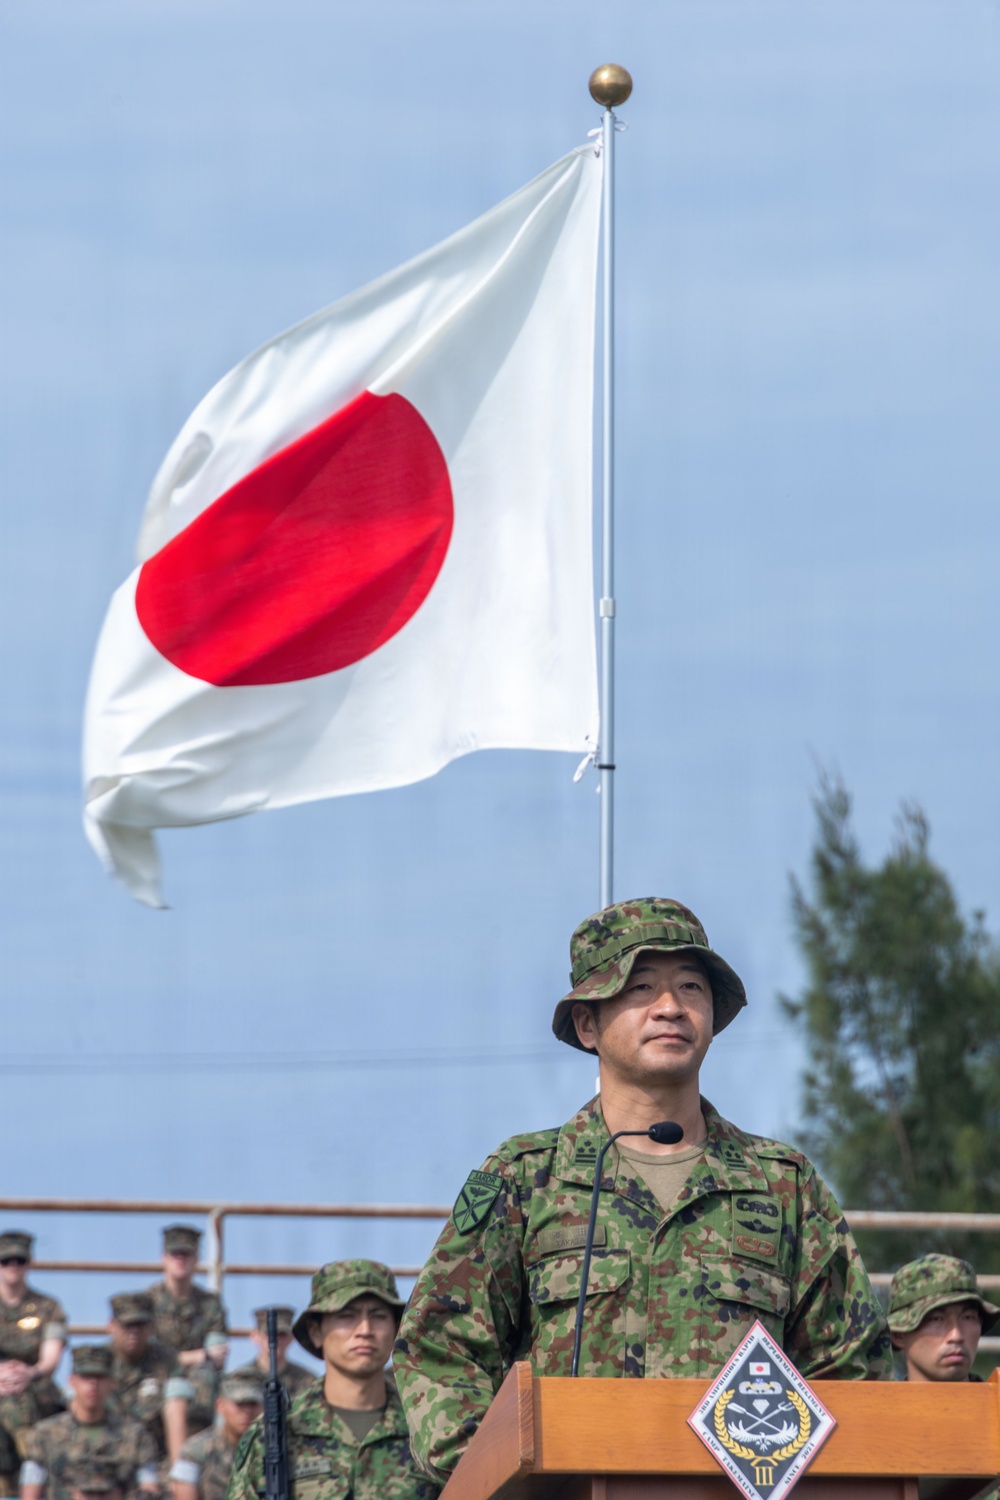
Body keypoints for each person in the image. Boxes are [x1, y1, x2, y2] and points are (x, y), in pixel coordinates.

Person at [395, 896, 892, 1483]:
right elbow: (439, 1349)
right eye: (639, 989)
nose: (670, 1008)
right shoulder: (523, 1178)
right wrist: (504, 1479)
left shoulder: (784, 1185)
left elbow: (851, 1372)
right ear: (587, 1024)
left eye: (690, 987)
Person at [226, 1261, 439, 1500]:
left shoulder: (428, 1430)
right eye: (347, 1316)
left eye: (378, 1316)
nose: (365, 1329)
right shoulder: (274, 1435)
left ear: (396, 1330)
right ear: (316, 1332)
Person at [20, 1344, 158, 1500]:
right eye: (86, 1377)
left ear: (111, 1382)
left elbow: (149, 1489)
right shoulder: (44, 1434)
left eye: (100, 1377)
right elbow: (30, 1493)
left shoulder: (135, 1435)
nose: (93, 1384)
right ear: (72, 1381)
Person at [0, 1229, 67, 1491]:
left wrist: (27, 1374)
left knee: (19, 1401)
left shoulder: (49, 1307)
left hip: (36, 1390)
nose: (13, 1267)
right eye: (5, 1261)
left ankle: (34, 1474)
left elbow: (50, 1359)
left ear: (30, 1263)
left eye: (20, 1260)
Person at [146, 1226, 228, 1435]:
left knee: (208, 1378)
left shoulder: (211, 1303)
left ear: (196, 1259)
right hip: (155, 1377)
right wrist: (199, 1355)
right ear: (163, 1258)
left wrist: (187, 1358)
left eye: (186, 1254)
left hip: (199, 1384)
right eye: (175, 1254)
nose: (180, 1260)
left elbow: (217, 1357)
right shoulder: (148, 1302)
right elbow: (146, 1355)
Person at [107, 1292, 193, 1469]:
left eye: (141, 1325)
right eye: (127, 1325)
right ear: (112, 1326)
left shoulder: (166, 1360)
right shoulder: (99, 1362)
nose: (134, 1332)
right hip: (109, 1453)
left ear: (152, 1326)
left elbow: (176, 1410)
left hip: (155, 1454)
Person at [887, 1253, 1000, 1382]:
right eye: (936, 1319)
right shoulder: (871, 1402)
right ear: (899, 1335)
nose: (956, 1336)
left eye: (968, 1317)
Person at [169, 1371, 262, 1500]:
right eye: (239, 1404)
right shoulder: (195, 1451)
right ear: (220, 1406)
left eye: (253, 1404)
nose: (246, 1412)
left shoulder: (276, 1449)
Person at [228, 1308, 315, 1399]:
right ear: (255, 1336)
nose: (276, 1339)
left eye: (282, 1334)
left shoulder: (308, 1381)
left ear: (291, 1337)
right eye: (269, 1333)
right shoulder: (239, 1379)